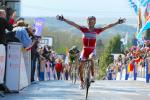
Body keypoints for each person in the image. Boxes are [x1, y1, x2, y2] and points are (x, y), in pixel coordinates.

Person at [57, 15, 126, 89]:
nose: (90, 23)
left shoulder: (97, 30)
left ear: (94, 22)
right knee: (81, 66)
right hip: (85, 49)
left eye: (92, 22)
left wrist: (117, 22)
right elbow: (73, 24)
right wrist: (64, 19)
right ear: (87, 22)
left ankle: (92, 76)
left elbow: (108, 26)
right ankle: (82, 82)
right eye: (89, 21)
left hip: (92, 49)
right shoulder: (84, 29)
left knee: (92, 58)